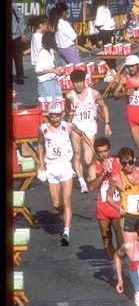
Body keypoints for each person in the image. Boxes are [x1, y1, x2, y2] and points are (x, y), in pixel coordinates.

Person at [37, 105, 94, 246]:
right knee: (56, 204)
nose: (56, 118)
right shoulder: (43, 129)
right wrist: (41, 164)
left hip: (65, 167)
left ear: (62, 114)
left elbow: (81, 134)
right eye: (53, 115)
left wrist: (92, 148)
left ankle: (66, 232)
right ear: (49, 115)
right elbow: (39, 145)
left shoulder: (67, 126)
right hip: (51, 168)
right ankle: (63, 212)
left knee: (67, 200)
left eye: (58, 115)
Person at [64, 68, 112, 193]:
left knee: (87, 158)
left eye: (80, 82)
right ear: (72, 83)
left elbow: (104, 106)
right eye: (75, 82)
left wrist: (107, 124)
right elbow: (66, 115)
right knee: (77, 153)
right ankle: (82, 181)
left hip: (90, 127)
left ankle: (92, 173)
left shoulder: (94, 93)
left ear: (84, 81)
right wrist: (70, 114)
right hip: (75, 127)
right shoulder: (69, 96)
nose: (78, 85)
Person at [87, 137, 123, 260]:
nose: (103, 154)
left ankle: (120, 262)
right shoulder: (93, 167)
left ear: (109, 149)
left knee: (121, 237)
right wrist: (102, 174)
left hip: (117, 205)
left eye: (105, 151)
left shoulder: (118, 162)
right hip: (102, 208)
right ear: (96, 152)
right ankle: (112, 262)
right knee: (106, 238)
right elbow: (91, 187)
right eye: (100, 152)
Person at [34, 30, 66, 102]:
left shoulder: (51, 51)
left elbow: (51, 66)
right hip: (45, 83)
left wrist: (58, 69)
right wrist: (53, 71)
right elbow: (37, 71)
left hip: (53, 80)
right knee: (51, 105)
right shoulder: (42, 54)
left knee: (59, 101)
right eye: (54, 39)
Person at [11, 0, 27, 85]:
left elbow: (20, 18)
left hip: (15, 35)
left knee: (18, 57)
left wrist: (22, 33)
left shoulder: (12, 5)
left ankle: (20, 76)